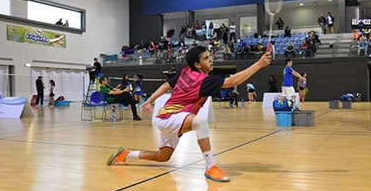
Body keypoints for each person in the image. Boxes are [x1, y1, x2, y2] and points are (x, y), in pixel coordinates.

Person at [106, 46, 271, 182]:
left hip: (166, 117)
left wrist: (150, 100)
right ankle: (211, 167)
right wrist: (259, 64)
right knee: (200, 122)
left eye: (210, 56)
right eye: (206, 58)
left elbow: (166, 85)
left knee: (163, 157)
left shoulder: (184, 71)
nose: (211, 59)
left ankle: (126, 154)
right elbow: (233, 81)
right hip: (170, 117)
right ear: (197, 65)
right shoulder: (203, 80)